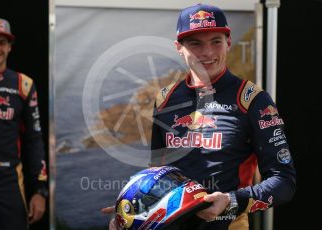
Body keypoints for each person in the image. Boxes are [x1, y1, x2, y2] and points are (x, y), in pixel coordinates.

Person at [103, 3, 296, 229]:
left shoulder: (253, 100)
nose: (207, 53)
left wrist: (231, 201)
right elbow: (156, 176)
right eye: (195, 43)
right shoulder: (164, 99)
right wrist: (130, 211)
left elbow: (284, 182)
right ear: (179, 47)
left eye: (216, 41)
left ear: (228, 43)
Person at [0, 17, 48, 230]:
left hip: (9, 181)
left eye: (1, 42)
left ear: (9, 47)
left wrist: (40, 191)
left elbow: (34, 140)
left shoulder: (24, 84)